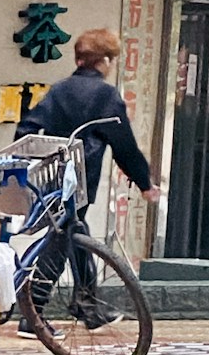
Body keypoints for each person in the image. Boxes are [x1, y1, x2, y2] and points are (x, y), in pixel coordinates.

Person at [14, 25, 154, 324]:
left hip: (51, 176)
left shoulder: (60, 89)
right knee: (63, 235)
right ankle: (33, 312)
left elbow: (27, 127)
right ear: (103, 61)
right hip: (81, 177)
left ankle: (87, 306)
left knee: (75, 231)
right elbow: (123, 144)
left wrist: (29, 161)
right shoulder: (105, 94)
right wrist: (144, 183)